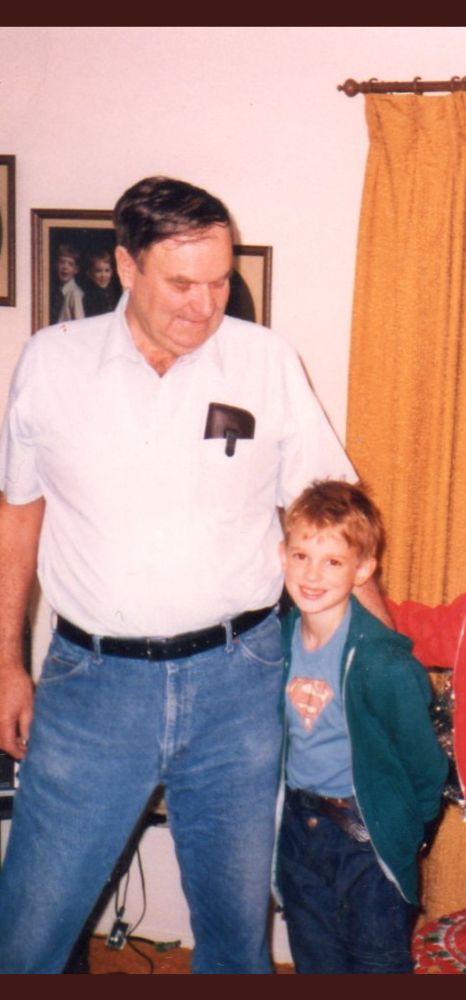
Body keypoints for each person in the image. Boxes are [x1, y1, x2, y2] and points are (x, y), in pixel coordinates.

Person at [0, 176, 388, 975]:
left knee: (237, 939)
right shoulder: (51, 362)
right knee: (26, 937)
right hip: (92, 685)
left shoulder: (265, 361)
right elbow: (19, 517)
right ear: (124, 265)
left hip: (238, 682)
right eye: (182, 283)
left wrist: (381, 665)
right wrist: (6, 660)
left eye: (220, 282)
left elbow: (334, 520)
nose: (205, 305)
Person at [277, 480, 448, 974]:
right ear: (282, 555)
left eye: (332, 561)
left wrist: (393, 831)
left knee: (376, 966)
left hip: (363, 840)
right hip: (298, 832)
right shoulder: (279, 643)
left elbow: (425, 769)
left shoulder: (383, 664)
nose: (312, 574)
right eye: (301, 555)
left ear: (363, 569)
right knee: (316, 963)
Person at [50, 243, 85, 322]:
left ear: (76, 269)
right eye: (62, 262)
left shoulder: (75, 294)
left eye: (70, 264)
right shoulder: (57, 291)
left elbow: (79, 322)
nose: (65, 267)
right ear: (56, 265)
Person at [83, 249, 122, 316]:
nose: (103, 275)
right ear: (89, 274)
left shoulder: (114, 293)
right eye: (98, 271)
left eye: (107, 271)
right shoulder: (89, 297)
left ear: (112, 272)